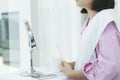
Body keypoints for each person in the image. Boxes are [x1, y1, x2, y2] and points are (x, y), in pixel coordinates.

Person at [59, 0, 120, 80]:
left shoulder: (106, 23)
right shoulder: (87, 25)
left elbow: (110, 67)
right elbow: (93, 58)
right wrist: (73, 65)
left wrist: (72, 74)